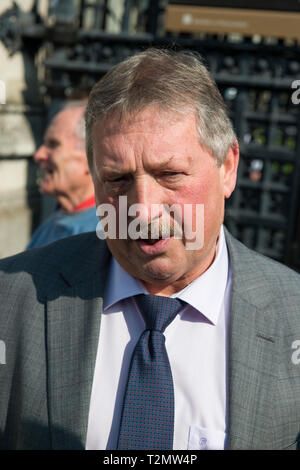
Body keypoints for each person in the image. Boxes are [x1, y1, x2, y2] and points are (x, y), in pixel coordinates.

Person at [0, 49, 300, 451]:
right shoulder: (11, 298)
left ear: (227, 167)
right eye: (118, 179)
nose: (141, 208)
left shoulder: (292, 316)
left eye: (170, 174)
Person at [27, 102, 98, 248]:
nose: (38, 155)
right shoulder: (49, 226)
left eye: (53, 144)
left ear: (91, 158)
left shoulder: (111, 238)